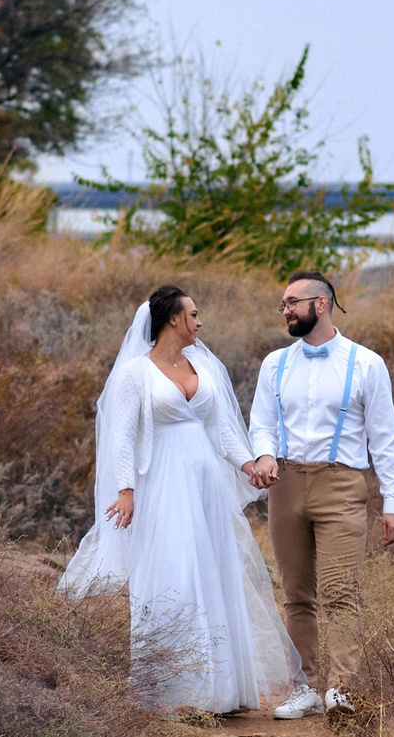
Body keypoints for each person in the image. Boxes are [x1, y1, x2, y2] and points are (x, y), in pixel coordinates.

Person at [59, 286, 301, 714]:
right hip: (164, 481)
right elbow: (120, 438)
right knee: (174, 572)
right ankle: (172, 691)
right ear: (173, 318)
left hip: (205, 480)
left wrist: (249, 466)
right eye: (194, 313)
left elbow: (224, 430)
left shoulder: (203, 367)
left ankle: (221, 691)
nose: (200, 321)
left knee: (213, 570)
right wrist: (126, 490)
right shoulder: (137, 372)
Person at [242, 271, 394, 719]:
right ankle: (307, 687)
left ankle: (344, 688)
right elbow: (261, 422)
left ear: (321, 304)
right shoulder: (275, 364)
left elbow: (386, 438)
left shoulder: (366, 363)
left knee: (340, 592)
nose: (285, 310)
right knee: (297, 593)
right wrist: (264, 454)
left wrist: (393, 505)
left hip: (342, 485)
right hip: (286, 484)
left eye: (293, 302)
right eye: (283, 303)